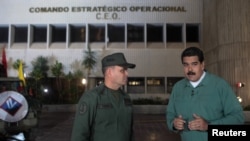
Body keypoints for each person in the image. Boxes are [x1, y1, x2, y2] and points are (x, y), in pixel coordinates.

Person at [166, 47, 244, 141]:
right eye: (186, 65)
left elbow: (238, 118)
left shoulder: (220, 85)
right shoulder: (178, 87)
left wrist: (208, 126)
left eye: (194, 64)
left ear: (202, 65)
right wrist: (173, 124)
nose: (190, 69)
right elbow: (170, 114)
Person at [71, 52, 135, 141]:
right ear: (109, 72)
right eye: (122, 70)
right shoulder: (91, 98)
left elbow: (130, 132)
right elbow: (79, 135)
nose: (127, 74)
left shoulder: (126, 98)